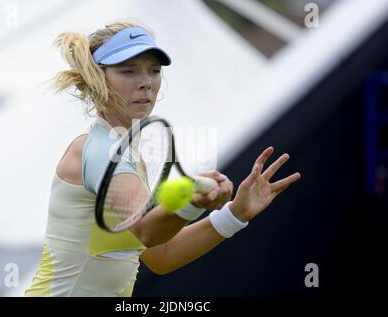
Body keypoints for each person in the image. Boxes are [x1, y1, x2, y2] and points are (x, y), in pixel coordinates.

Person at [25, 21, 301, 297]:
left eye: (154, 71)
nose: (145, 82)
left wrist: (234, 214)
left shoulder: (129, 156)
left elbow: (162, 255)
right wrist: (189, 199)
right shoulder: (98, 151)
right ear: (98, 78)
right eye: (128, 71)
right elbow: (147, 230)